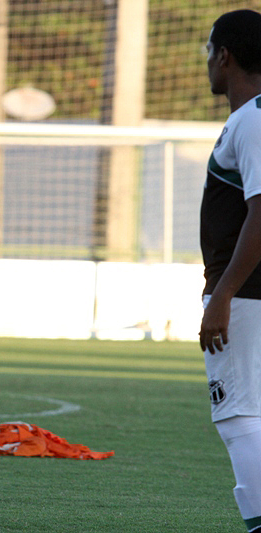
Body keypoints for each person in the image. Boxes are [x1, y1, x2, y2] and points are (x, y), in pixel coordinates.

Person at [199, 9, 261, 533]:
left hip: (249, 295)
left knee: (239, 415)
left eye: (208, 52)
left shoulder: (254, 118)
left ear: (225, 56)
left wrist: (223, 294)